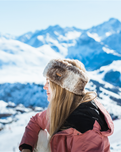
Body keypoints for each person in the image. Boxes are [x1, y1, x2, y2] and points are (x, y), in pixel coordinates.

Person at [19, 59, 114, 152]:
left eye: (48, 82)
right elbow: (35, 121)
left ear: (62, 88)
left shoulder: (86, 132)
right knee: (41, 135)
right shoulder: (63, 111)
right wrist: (26, 148)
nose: (44, 86)